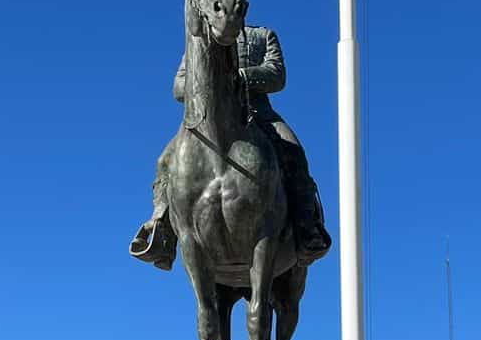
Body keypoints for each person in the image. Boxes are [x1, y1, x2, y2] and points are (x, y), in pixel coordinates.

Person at [130, 20, 332, 271]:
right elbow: (179, 87)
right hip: (208, 119)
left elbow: (277, 74)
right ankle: (161, 231)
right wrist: (209, 82)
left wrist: (240, 77)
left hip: (259, 114)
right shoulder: (200, 42)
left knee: (293, 151)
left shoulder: (263, 35)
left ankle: (307, 227)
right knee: (165, 161)